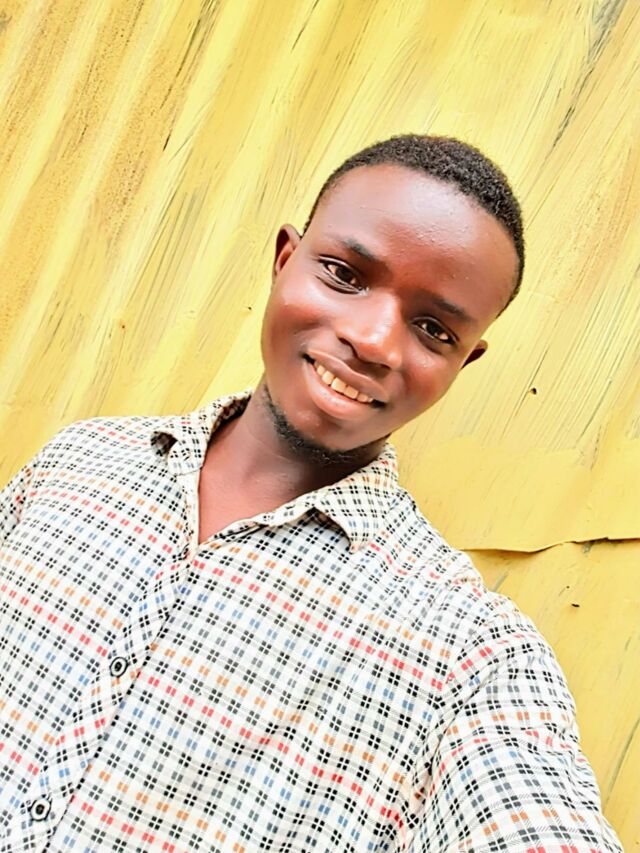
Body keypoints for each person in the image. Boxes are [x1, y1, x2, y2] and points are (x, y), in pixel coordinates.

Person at [0, 135, 621, 852]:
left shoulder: (464, 650)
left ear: (464, 361)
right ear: (284, 259)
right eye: (345, 274)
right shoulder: (80, 461)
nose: (373, 340)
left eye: (433, 329)